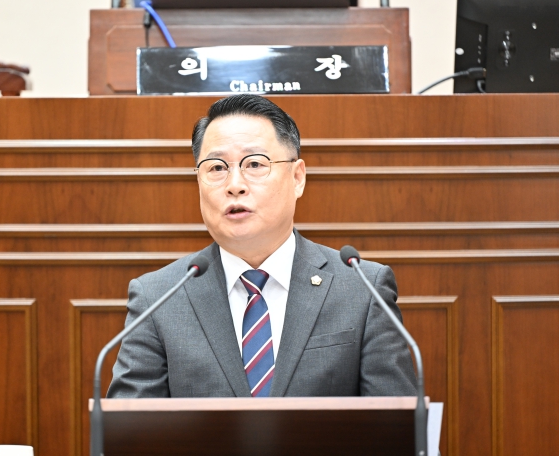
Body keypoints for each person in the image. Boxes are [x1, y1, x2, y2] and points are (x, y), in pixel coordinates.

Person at [108, 94, 417, 398]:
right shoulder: (157, 298)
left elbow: (395, 424)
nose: (235, 185)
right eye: (216, 168)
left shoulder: (363, 289)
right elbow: (129, 426)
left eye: (254, 163)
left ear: (297, 177)